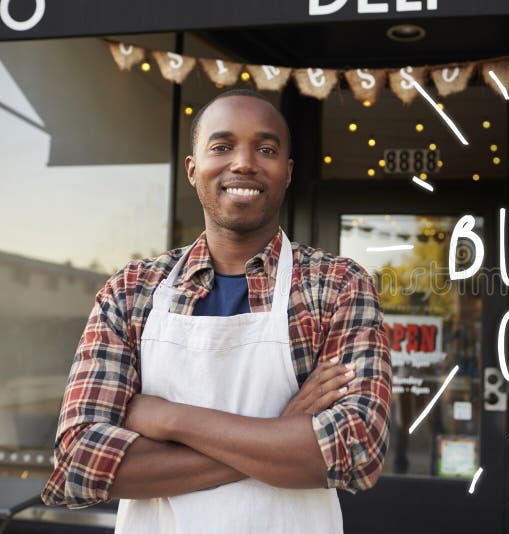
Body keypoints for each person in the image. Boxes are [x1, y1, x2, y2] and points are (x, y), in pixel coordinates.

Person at [40, 88, 392, 533]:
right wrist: (281, 431)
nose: (243, 163)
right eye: (222, 147)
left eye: (265, 149)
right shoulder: (132, 291)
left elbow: (355, 453)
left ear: (287, 173)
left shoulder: (337, 285)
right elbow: (80, 463)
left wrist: (170, 419)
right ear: (193, 169)